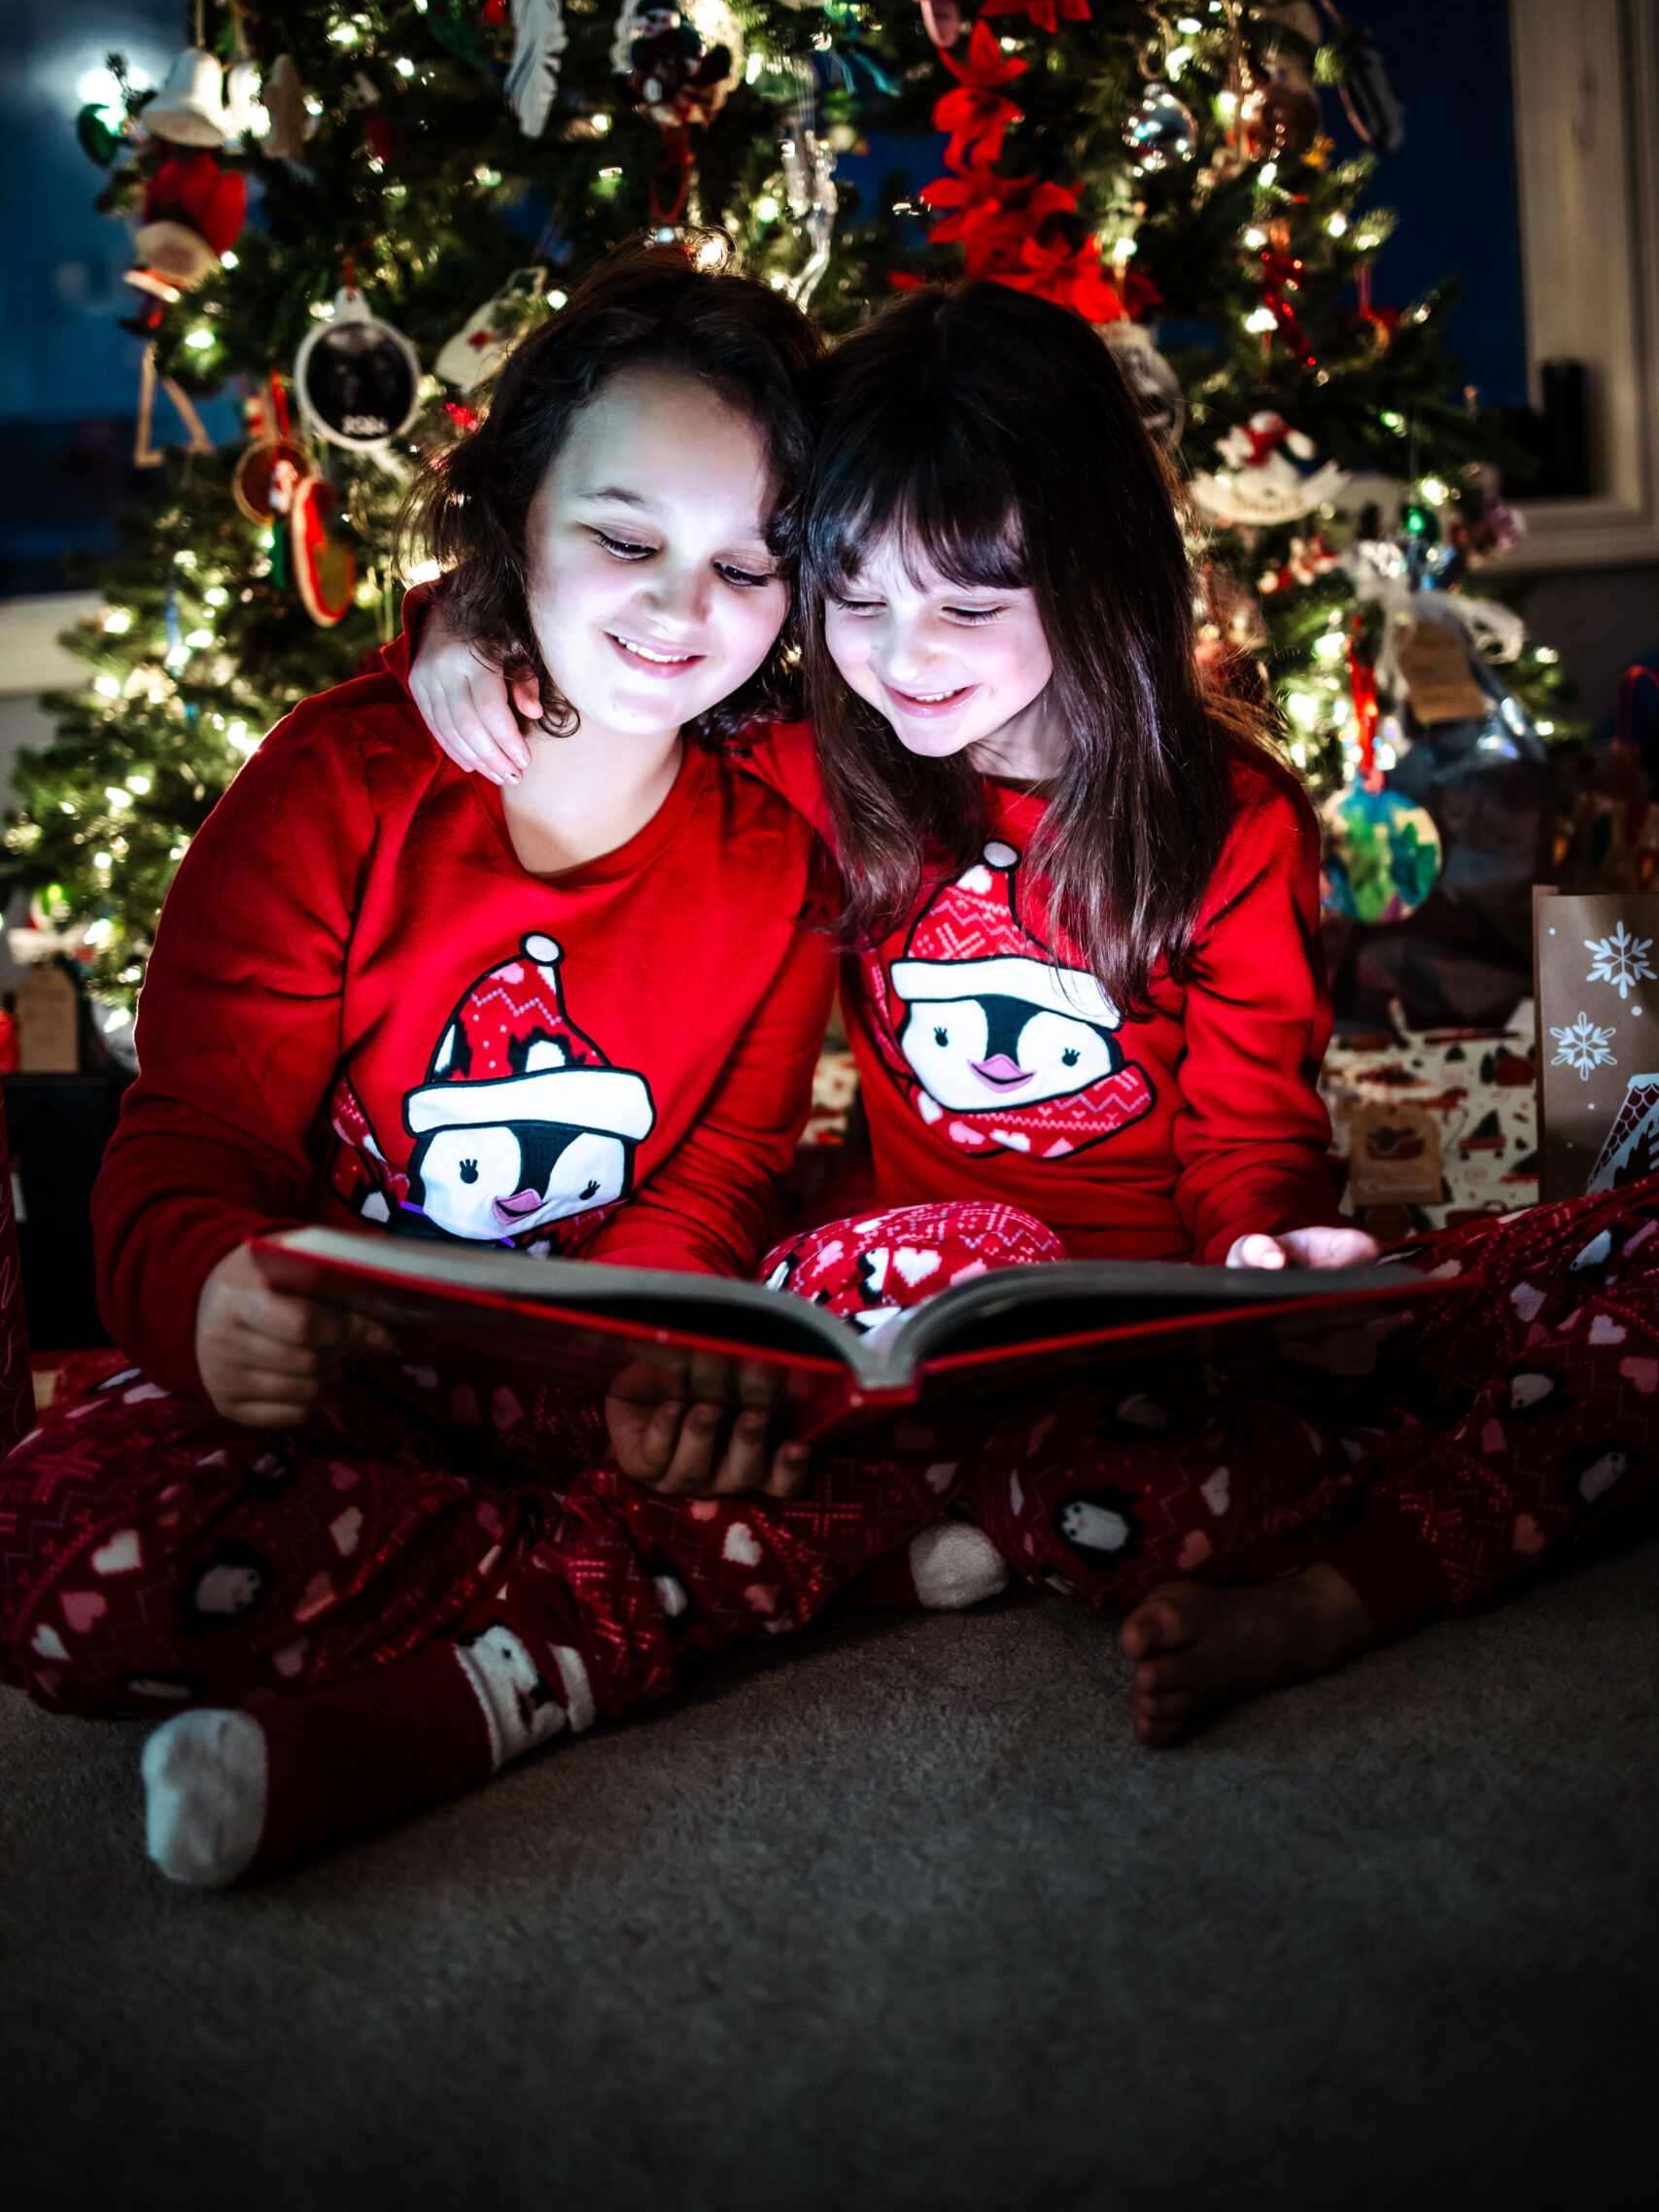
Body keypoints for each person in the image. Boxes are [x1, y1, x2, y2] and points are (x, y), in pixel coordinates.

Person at [411, 279, 1659, 1747]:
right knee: (830, 1333)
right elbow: (600, 654)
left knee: (1624, 1268)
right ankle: (1004, 1526)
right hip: (913, 1340)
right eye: (854, 601)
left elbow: (1249, 1137)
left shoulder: (1233, 824)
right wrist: (457, 619)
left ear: (1092, 566)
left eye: (968, 604)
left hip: (1161, 1363)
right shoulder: (817, 766)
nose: (899, 656)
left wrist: (1273, 1258)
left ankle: (1325, 1599)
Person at [0, 249, 1003, 1890]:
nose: (686, 613)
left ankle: (577, 1609)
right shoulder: (342, 789)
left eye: (753, 564)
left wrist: (651, 1353)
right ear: (514, 517)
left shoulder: (782, 831)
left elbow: (718, 1173)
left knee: (957, 1275)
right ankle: (694, 1593)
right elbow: (181, 1148)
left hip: (596, 1405)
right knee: (56, 1550)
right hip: (344, 1400)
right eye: (622, 539)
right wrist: (210, 1304)